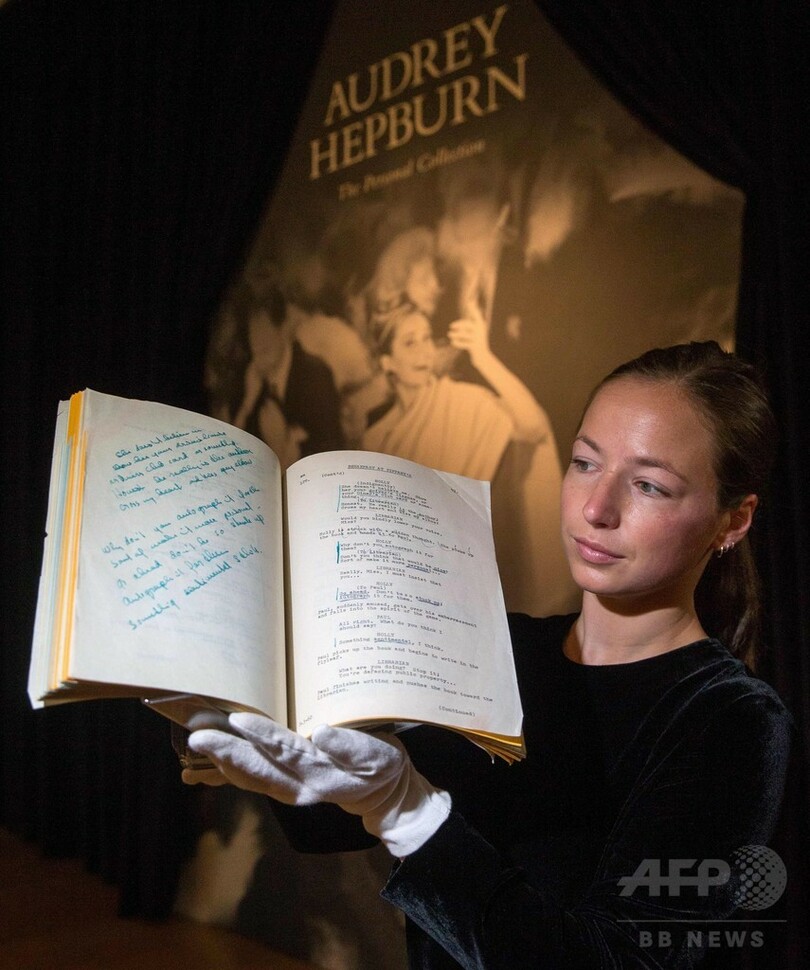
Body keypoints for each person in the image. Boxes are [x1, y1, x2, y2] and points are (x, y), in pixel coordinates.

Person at [182, 342, 792, 969]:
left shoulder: (730, 721)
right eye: (585, 463)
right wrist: (230, 693)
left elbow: (615, 960)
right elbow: (328, 823)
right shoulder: (494, 646)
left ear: (733, 522)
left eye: (649, 486)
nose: (595, 509)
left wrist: (407, 811)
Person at [362, 296, 576, 616]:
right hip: (409, 586)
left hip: (469, 572)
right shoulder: (376, 438)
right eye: (410, 342)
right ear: (387, 362)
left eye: (427, 339)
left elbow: (534, 427)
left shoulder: (463, 401)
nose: (424, 352)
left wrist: (483, 357)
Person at [229, 276, 345, 469]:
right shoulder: (247, 382)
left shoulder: (316, 375)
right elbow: (231, 457)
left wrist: (286, 442)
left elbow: (332, 451)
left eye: (264, 336)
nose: (257, 346)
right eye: (252, 336)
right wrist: (247, 405)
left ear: (283, 329)